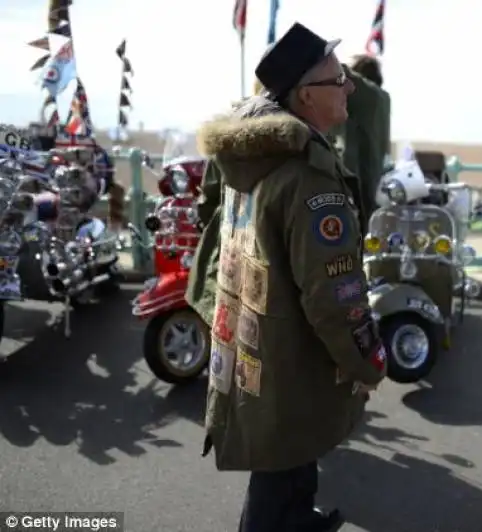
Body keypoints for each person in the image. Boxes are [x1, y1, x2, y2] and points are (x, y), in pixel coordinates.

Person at [193, 22, 387, 532]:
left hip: (257, 342)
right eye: (337, 78)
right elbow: (334, 297)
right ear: (305, 96)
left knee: (290, 448)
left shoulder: (251, 156)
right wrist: (368, 358)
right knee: (278, 469)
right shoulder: (306, 176)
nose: (349, 87)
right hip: (292, 350)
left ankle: (300, 517)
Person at [330, 54, 391, 227]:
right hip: (372, 185)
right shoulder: (382, 99)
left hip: (355, 185)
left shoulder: (367, 94)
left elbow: (341, 71)